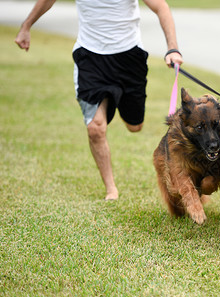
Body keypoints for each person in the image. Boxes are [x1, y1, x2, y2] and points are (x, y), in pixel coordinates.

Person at [15, 0, 184, 200]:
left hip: (129, 57)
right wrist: (26, 26)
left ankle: (112, 101)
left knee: (135, 125)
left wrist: (172, 48)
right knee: (95, 128)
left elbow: (160, 7)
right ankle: (111, 189)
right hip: (90, 57)